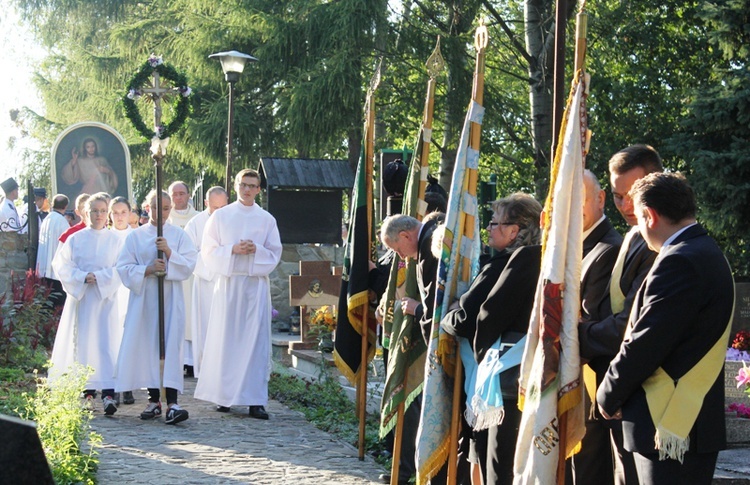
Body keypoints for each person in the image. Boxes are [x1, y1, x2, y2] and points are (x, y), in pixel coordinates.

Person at [597, 172, 734, 484]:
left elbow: (647, 342)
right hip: (690, 421)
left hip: (668, 421)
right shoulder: (706, 251)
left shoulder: (679, 260)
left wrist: (608, 395)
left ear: (650, 215)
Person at [441, 193, 542, 485]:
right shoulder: (543, 255)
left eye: (495, 223)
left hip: (508, 375)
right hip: (524, 372)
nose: (488, 228)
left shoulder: (522, 259)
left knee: (497, 462)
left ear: (514, 230)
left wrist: (449, 317)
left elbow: (484, 316)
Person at [578, 144, 662, 484]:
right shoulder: (633, 237)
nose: (625, 206)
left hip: (646, 392)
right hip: (615, 387)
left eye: (633, 194)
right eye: (617, 196)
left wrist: (571, 334)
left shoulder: (659, 244)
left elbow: (629, 324)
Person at [194, 169, 282, 419]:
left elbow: (274, 253)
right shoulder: (221, 216)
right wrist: (232, 249)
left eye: (252, 186)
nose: (247, 189)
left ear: (258, 189)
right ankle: (224, 396)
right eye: (243, 184)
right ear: (236, 186)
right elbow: (208, 251)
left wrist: (256, 251)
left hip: (254, 286)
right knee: (227, 340)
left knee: (255, 343)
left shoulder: (266, 219)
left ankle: (255, 400)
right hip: (229, 285)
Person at [115, 189, 198, 424]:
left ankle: (172, 402)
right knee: (150, 345)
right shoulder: (136, 236)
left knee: (170, 345)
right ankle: (154, 400)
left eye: (166, 207)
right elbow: (123, 267)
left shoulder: (179, 235)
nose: (161, 212)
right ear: (147, 207)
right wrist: (148, 270)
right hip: (146, 300)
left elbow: (189, 264)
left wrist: (169, 252)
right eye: (156, 206)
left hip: (171, 298)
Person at [567, 170, 623, 484]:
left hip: (592, 382)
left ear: (600, 199)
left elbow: (586, 322)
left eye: (581, 200)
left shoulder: (608, 248)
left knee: (590, 472)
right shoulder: (576, 247)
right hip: (577, 385)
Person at [49, 192, 124, 415]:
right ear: (85, 213)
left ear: (107, 213)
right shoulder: (75, 239)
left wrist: (100, 278)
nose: (99, 215)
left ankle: (109, 394)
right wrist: (82, 277)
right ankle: (88, 393)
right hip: (82, 299)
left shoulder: (115, 240)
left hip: (105, 300)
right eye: (94, 211)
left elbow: (121, 268)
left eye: (102, 211)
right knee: (83, 343)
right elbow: (61, 265)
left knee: (106, 344)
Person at [183, 186, 228, 378]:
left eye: (222, 207)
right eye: (214, 207)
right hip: (205, 282)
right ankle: (205, 369)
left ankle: (224, 365)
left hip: (227, 280)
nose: (218, 212)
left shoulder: (231, 219)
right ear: (206, 203)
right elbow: (188, 253)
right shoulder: (195, 223)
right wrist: (213, 261)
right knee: (206, 325)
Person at [166, 180, 200, 377]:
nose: (178, 198)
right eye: (174, 194)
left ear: (188, 195)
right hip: (174, 276)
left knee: (193, 316)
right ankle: (177, 360)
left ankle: (193, 361)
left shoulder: (198, 218)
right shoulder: (165, 219)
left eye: (181, 193)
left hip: (194, 276)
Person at [108, 196, 136, 405]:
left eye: (123, 212)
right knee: (111, 338)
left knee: (128, 337)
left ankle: (128, 385)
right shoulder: (105, 237)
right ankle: (111, 386)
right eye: (115, 213)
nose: (119, 217)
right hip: (109, 293)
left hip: (129, 292)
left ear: (130, 213)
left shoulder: (136, 237)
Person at [37, 194, 71, 311]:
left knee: (46, 305)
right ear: (66, 206)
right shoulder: (62, 222)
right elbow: (67, 247)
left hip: (43, 270)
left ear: (53, 204)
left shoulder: (46, 219)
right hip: (55, 273)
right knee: (57, 307)